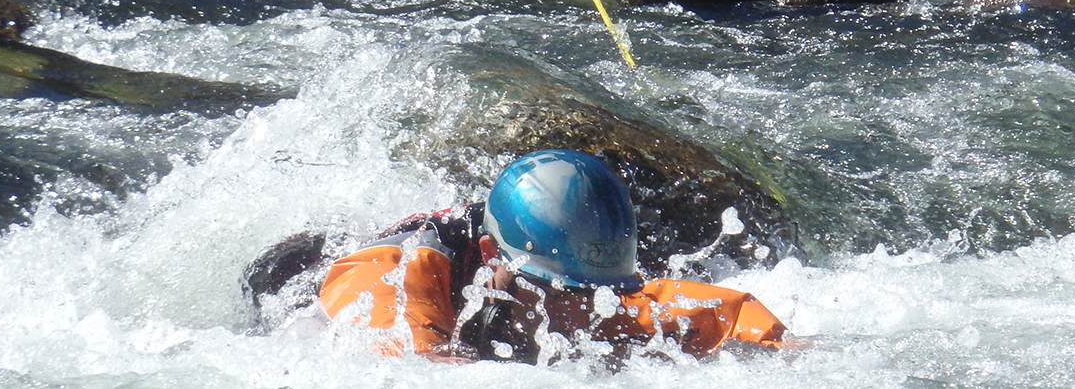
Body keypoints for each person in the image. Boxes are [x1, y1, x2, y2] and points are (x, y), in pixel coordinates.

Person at [317, 149, 787, 362]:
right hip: (306, 282)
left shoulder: (584, 285)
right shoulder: (395, 278)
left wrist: (789, 353)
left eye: (595, 293)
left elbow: (725, 313)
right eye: (556, 292)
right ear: (491, 257)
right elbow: (413, 371)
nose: (576, 317)